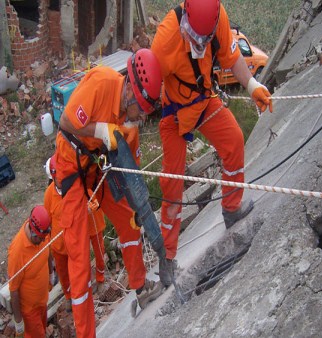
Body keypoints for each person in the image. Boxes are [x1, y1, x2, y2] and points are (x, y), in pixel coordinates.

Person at [151, 0, 273, 287]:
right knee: (172, 185)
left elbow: (232, 57)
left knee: (233, 141)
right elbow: (147, 88)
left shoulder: (217, 18)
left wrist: (252, 85)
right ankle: (167, 260)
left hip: (204, 101)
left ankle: (231, 208)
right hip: (174, 114)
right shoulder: (165, 40)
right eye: (195, 36)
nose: (200, 43)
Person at [54, 48, 163, 337]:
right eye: (140, 109)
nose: (140, 118)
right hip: (71, 164)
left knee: (129, 220)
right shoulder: (101, 83)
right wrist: (102, 131)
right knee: (78, 254)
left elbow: (132, 175)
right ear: (130, 91)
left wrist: (140, 207)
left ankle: (141, 287)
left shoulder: (130, 125)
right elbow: (66, 122)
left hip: (98, 164)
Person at [44, 154, 107, 312]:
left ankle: (100, 279)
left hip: (90, 224)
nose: (62, 179)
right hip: (62, 240)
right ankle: (69, 295)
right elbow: (48, 220)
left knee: (98, 251)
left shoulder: (76, 182)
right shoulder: (49, 195)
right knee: (64, 270)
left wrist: (91, 207)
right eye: (59, 177)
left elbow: (93, 195)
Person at [8, 205, 53, 338]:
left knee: (42, 330)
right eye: (39, 239)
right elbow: (13, 290)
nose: (42, 241)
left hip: (42, 300)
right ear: (32, 232)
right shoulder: (17, 251)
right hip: (29, 310)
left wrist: (51, 274)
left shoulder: (42, 235)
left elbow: (48, 251)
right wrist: (19, 322)